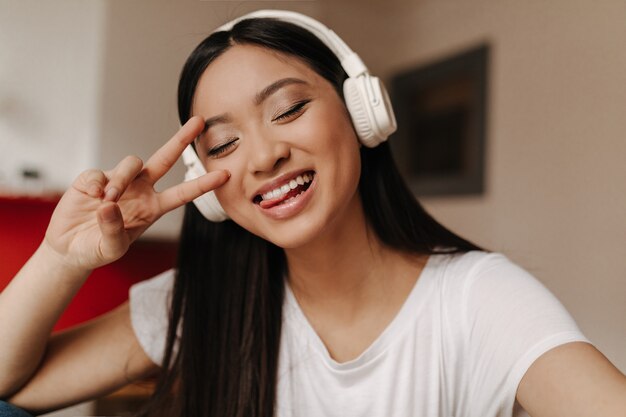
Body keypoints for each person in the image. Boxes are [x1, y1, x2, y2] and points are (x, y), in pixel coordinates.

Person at [0, 9, 624, 417]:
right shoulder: (205, 301)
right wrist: (61, 258)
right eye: (223, 145)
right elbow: (11, 389)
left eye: (289, 109)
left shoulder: (479, 300)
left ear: (361, 112)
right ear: (208, 186)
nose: (265, 155)